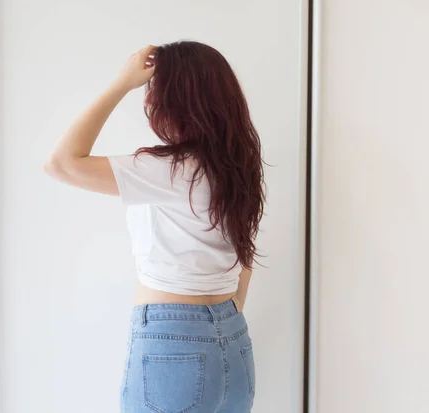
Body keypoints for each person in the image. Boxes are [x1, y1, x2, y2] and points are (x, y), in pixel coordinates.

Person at [44, 41, 264, 413]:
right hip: (232, 336)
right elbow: (246, 253)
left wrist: (120, 84)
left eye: (153, 93)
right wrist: (221, 315)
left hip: (173, 343)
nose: (147, 102)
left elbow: (62, 163)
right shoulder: (238, 167)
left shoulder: (170, 169)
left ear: (177, 102)